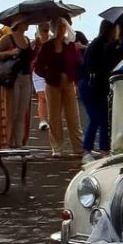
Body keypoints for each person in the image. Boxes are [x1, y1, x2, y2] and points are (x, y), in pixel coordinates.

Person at [34, 19, 84, 157]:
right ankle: (57, 147)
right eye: (60, 26)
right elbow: (37, 66)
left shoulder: (70, 45)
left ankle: (78, 147)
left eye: (64, 26)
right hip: (52, 85)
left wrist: (74, 78)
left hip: (68, 84)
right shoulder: (47, 46)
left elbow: (78, 62)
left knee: (73, 117)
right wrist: (48, 75)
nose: (62, 29)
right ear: (55, 29)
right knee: (54, 117)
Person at [0, 21, 34, 148]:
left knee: (21, 112)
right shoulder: (8, 38)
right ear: (19, 23)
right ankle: (8, 143)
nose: (28, 23)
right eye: (25, 21)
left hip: (26, 78)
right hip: (13, 78)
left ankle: (18, 143)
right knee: (12, 112)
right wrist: (9, 53)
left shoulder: (26, 39)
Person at [80, 20, 116, 162]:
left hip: (96, 86)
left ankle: (103, 149)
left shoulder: (97, 44)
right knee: (96, 118)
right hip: (92, 86)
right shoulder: (102, 45)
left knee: (102, 119)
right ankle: (88, 150)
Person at [31, 21, 52, 131]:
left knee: (49, 96)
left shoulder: (53, 41)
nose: (46, 32)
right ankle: (43, 120)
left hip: (51, 71)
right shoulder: (35, 43)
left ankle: (50, 118)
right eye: (44, 29)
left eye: (47, 29)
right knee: (42, 96)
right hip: (38, 72)